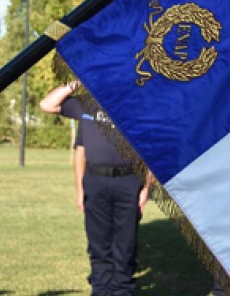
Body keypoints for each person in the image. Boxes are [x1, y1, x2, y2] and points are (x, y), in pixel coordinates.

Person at [40, 81, 152, 296]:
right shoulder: (85, 104)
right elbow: (47, 105)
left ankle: (122, 290)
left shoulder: (137, 107)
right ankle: (101, 290)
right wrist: (74, 84)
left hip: (128, 182)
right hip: (95, 182)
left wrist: (146, 189)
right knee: (98, 244)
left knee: (125, 244)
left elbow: (151, 153)